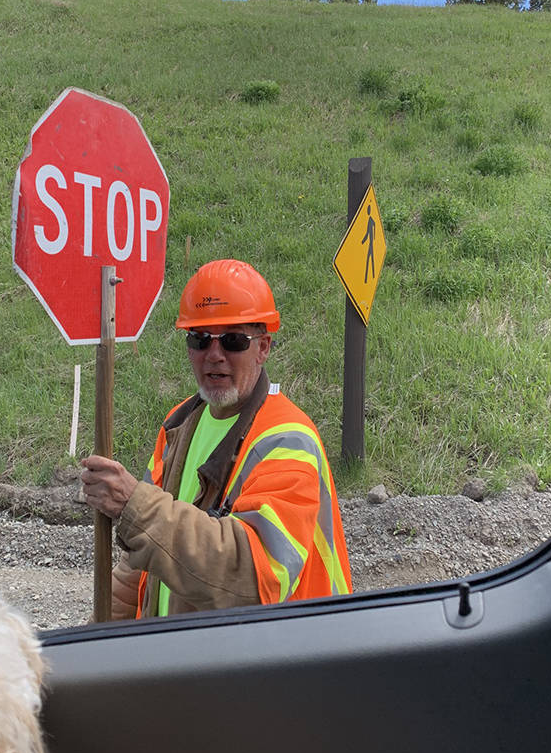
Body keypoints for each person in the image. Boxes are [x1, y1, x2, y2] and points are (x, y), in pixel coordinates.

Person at [81, 258, 352, 620]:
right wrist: (97, 646)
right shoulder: (179, 425)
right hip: (192, 662)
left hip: (280, 666)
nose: (214, 355)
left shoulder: (288, 441)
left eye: (234, 340)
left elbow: (254, 578)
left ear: (264, 347)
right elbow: (142, 560)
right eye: (199, 339)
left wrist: (136, 505)